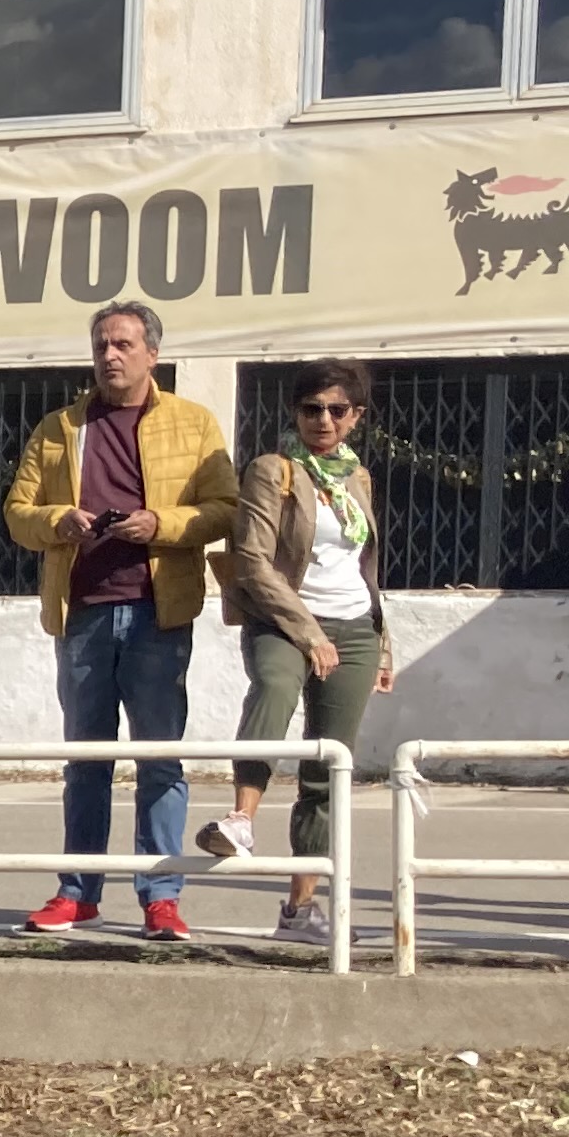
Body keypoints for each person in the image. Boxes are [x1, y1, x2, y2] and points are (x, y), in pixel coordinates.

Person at [3, 301, 237, 939]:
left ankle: (161, 897)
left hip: (159, 612)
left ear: (152, 354)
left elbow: (224, 509)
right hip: (82, 613)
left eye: (125, 344)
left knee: (159, 758)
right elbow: (17, 511)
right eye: (102, 344)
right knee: (87, 759)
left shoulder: (193, 424)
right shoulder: (59, 427)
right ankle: (78, 892)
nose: (111, 355)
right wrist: (60, 520)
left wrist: (160, 524)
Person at [202, 362, 393, 947]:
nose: (324, 421)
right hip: (284, 621)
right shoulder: (272, 471)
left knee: (328, 767)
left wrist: (382, 642)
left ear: (357, 417)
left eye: (338, 410)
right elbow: (254, 562)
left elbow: (365, 565)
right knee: (276, 688)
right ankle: (241, 819)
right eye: (312, 409)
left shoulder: (357, 477)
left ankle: (301, 911)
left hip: (355, 627)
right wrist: (310, 634)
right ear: (295, 412)